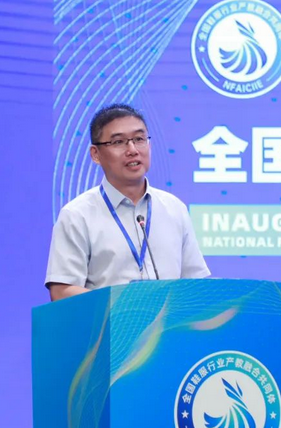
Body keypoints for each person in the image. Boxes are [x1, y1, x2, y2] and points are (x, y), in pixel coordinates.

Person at [45, 104, 210, 301]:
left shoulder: (175, 209)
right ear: (95, 154)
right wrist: (125, 306)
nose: (132, 150)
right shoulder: (77, 215)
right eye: (118, 142)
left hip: (169, 321)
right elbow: (62, 291)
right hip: (109, 321)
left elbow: (197, 284)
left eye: (139, 139)